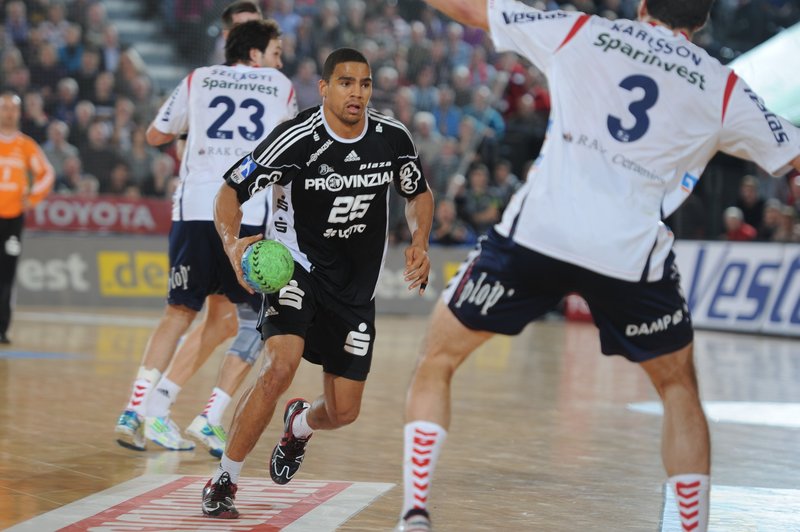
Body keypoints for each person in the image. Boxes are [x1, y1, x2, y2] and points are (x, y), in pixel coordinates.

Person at [397, 2, 800, 532]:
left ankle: (415, 513)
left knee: (438, 358)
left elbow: (473, 9)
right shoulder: (722, 87)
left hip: (539, 235)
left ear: (643, 5)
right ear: (700, 21)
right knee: (679, 391)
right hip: (627, 255)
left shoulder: (583, 32)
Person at [201, 47, 434, 519]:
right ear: (324, 88)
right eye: (346, 83)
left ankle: (300, 425)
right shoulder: (296, 139)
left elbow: (418, 193)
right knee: (279, 367)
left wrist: (420, 240)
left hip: (355, 291)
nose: (357, 93)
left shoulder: (392, 138)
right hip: (295, 269)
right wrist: (232, 245)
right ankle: (225, 477)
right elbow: (230, 191)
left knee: (344, 411)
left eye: (364, 84)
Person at [113, 19, 297, 452]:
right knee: (255, 321)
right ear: (256, 54)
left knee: (179, 312)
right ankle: (208, 415)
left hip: (194, 209)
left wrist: (194, 130)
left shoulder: (198, 78)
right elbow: (287, 152)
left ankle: (137, 409)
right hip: (244, 214)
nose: (280, 61)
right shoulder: (280, 85)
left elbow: (155, 133)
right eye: (276, 52)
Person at [0, 91, 55, 345]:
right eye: (4, 108)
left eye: (13, 108)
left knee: (7, 273)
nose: (9, 113)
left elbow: (46, 174)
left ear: (19, 113)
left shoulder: (26, 146)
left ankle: (2, 328)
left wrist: (32, 198)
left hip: (13, 219)